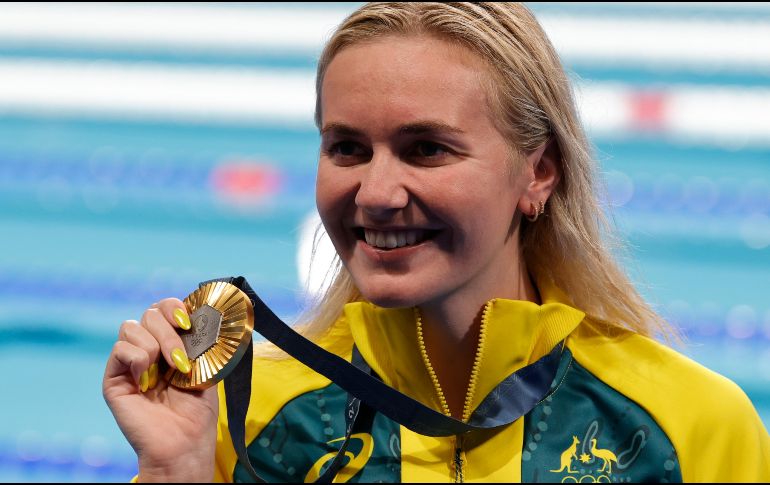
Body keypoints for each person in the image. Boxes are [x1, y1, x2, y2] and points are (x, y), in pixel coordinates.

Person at [102, 3, 770, 482]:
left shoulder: (686, 427)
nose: (376, 192)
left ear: (538, 172)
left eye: (426, 149)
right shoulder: (252, 425)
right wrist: (172, 471)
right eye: (347, 148)